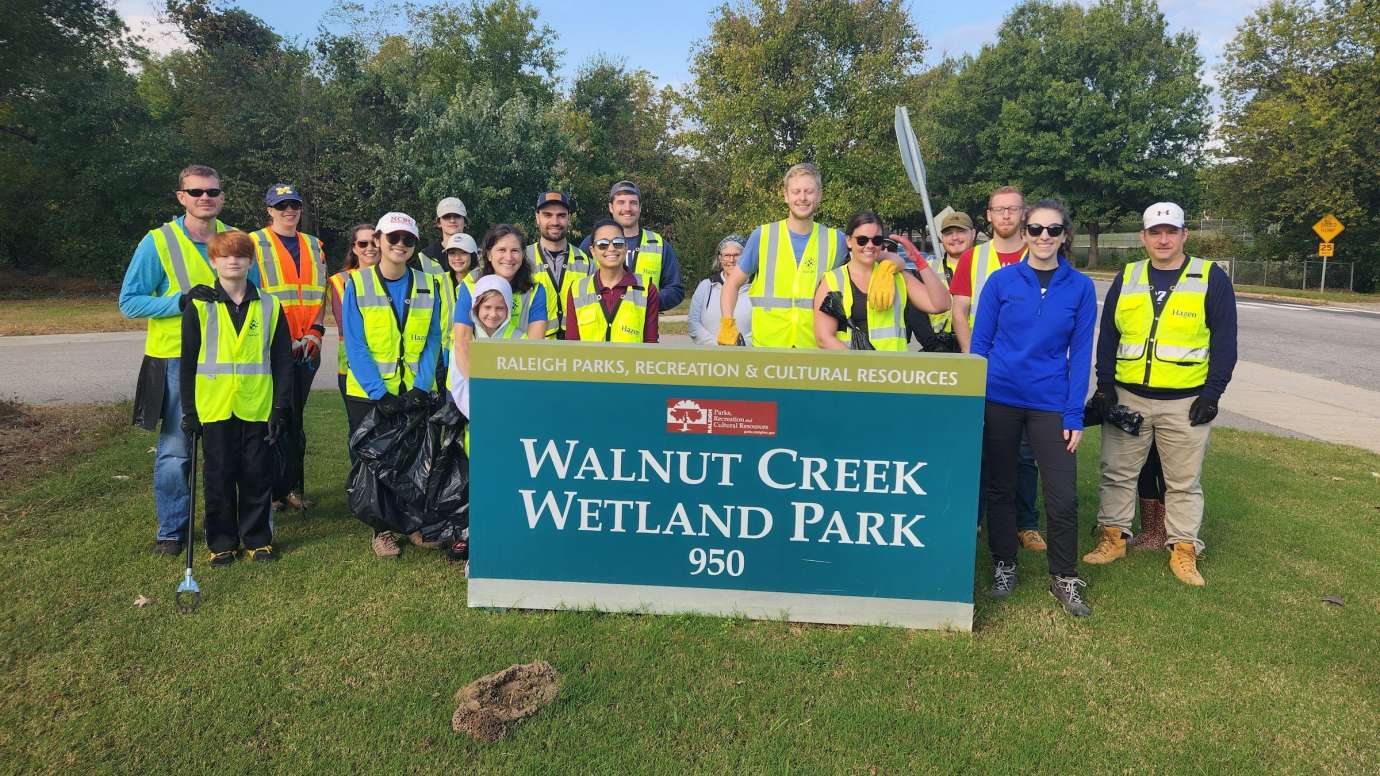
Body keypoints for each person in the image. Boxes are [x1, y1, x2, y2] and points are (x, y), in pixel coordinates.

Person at [1083, 202, 1238, 587]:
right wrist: (1105, 385)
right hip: (1128, 395)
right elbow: (1109, 336)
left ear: (1185, 235)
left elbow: (1225, 342)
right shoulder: (1129, 275)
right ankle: (1113, 538)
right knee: (1116, 474)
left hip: (1185, 402)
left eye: (1171, 231)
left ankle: (1184, 550)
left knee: (1183, 481)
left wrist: (1212, 394)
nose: (1163, 239)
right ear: (1144, 238)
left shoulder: (1209, 277)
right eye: (1155, 232)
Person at [971, 198, 1096, 617]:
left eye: (1053, 230)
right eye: (1037, 230)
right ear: (1024, 234)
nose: (1044, 237)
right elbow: (980, 346)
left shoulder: (1079, 288)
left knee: (1062, 496)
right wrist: (977, 398)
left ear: (1065, 236)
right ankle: (1005, 563)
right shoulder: (1001, 282)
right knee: (1001, 487)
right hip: (1000, 397)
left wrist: (1074, 413)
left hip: (1051, 402)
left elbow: (1080, 355)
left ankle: (1064, 576)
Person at [119, 164, 247, 556]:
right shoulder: (157, 241)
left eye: (212, 192)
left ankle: (228, 524)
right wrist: (179, 301)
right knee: (177, 450)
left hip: (226, 362)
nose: (204, 198)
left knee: (228, 448)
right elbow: (129, 301)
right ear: (181, 197)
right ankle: (172, 530)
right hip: (176, 361)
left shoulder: (233, 239)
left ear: (222, 196)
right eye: (196, 192)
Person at [179, 231, 293, 566]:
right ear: (213, 261)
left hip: (257, 406)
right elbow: (187, 363)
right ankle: (222, 542)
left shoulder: (270, 305)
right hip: (214, 408)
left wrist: (280, 407)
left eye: (241, 255)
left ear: (251, 261)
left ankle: (258, 540)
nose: (233, 261)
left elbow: (283, 361)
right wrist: (189, 410)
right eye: (225, 256)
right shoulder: (199, 306)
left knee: (257, 476)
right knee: (218, 477)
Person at [340, 212, 443, 559]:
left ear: (414, 245)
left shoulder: (430, 284)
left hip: (412, 391)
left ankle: (413, 525)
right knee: (373, 462)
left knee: (412, 460)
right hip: (370, 394)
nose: (400, 245)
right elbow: (354, 344)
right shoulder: (357, 283)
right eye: (393, 238)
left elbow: (433, 339)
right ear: (379, 239)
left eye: (408, 240)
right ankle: (380, 530)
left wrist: (420, 385)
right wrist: (378, 393)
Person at [952, 187, 1044, 550]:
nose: (1006, 216)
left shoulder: (1040, 253)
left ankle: (1026, 523)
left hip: (1028, 372)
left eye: (1013, 209)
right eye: (998, 210)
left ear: (1024, 214)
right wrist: (972, 357)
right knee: (980, 447)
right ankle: (974, 518)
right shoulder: (972, 259)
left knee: (1024, 451)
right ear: (988, 216)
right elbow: (960, 311)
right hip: (984, 368)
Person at [250, 184, 327, 511]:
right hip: (271, 346)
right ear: (269, 209)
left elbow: (320, 293)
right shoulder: (253, 244)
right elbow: (251, 296)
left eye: (293, 204)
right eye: (281, 206)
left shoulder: (314, 245)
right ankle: (269, 490)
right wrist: (281, 339)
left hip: (308, 347)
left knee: (295, 420)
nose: (288, 211)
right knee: (270, 419)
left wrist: (316, 332)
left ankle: (292, 487)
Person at [718, 163, 849, 349]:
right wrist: (727, 323)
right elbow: (732, 283)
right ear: (785, 196)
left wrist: (894, 264)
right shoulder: (763, 236)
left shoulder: (836, 240)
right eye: (796, 191)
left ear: (819, 195)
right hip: (768, 350)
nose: (802, 197)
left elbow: (872, 250)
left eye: (809, 191)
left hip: (816, 349)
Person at [812, 212, 950, 350]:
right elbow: (824, 338)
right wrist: (862, 367)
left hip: (892, 369)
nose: (870, 245)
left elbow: (940, 305)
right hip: (854, 369)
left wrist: (919, 261)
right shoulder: (833, 280)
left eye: (876, 240)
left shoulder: (897, 276)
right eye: (862, 240)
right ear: (849, 241)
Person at [454, 224, 547, 377]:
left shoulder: (535, 290)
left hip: (515, 378)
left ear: (523, 255)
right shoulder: (471, 284)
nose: (509, 257)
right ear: (489, 255)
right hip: (469, 378)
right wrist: (476, 385)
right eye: (501, 250)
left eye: (515, 251)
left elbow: (534, 347)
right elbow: (462, 343)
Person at [578, 180, 684, 310]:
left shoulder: (658, 244)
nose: (627, 208)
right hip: (600, 326)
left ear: (640, 207)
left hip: (645, 327)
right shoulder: (592, 242)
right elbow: (578, 287)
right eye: (621, 202)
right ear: (611, 207)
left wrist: (647, 302)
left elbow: (675, 289)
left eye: (633, 203)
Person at [566, 218, 660, 343]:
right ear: (593, 251)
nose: (611, 248)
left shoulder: (648, 289)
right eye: (602, 245)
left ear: (626, 247)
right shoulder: (577, 290)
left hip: (632, 362)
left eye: (618, 243)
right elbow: (573, 346)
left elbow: (651, 344)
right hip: (590, 363)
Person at [527, 191, 592, 339]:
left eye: (561, 215)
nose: (555, 222)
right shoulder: (522, 259)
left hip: (575, 348)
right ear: (537, 218)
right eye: (547, 215)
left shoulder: (587, 263)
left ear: (569, 218)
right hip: (534, 348)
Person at [328, 223, 381, 401]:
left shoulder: (395, 278)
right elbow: (346, 325)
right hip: (351, 366)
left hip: (392, 367)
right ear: (354, 248)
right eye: (363, 244)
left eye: (375, 243)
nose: (370, 248)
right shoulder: (340, 281)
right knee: (358, 427)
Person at [688, 235, 751, 345]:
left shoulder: (757, 286)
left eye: (736, 255)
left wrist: (741, 343)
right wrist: (718, 345)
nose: (731, 260)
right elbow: (693, 324)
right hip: (710, 356)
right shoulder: (705, 286)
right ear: (720, 258)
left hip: (748, 355)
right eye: (726, 255)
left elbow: (765, 326)